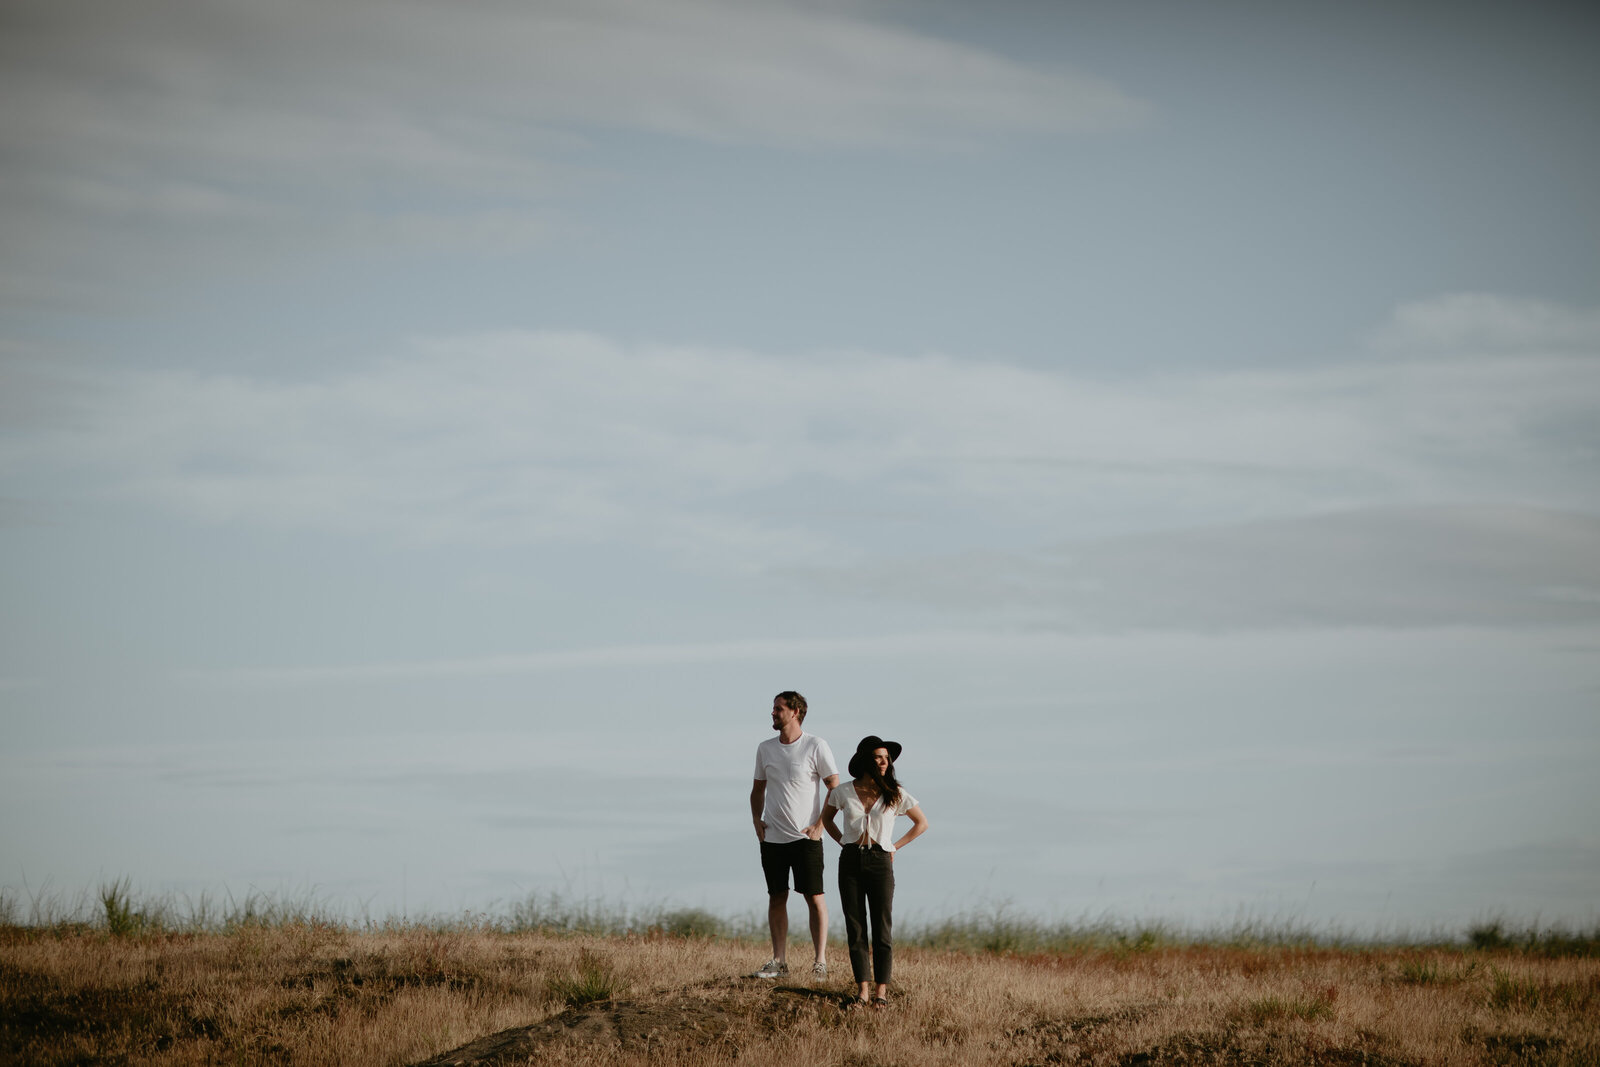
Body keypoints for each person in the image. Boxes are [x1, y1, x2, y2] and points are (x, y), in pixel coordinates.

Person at [822, 734, 928, 1007]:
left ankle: (881, 992)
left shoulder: (895, 793)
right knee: (855, 926)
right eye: (878, 757)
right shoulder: (842, 791)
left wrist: (895, 847)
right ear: (865, 760)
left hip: (881, 860)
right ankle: (863, 991)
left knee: (882, 927)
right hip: (850, 860)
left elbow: (921, 823)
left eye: (886, 758)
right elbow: (826, 819)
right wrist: (843, 841)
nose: (884, 762)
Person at [750, 691, 839, 980]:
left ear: (795, 711)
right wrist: (756, 820)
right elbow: (757, 790)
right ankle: (779, 960)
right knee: (777, 897)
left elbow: (834, 787)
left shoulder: (815, 745)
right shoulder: (765, 749)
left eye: (778, 709)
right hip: (773, 838)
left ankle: (820, 962)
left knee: (814, 897)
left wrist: (820, 826)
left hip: (806, 839)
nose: (773, 713)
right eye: (773, 709)